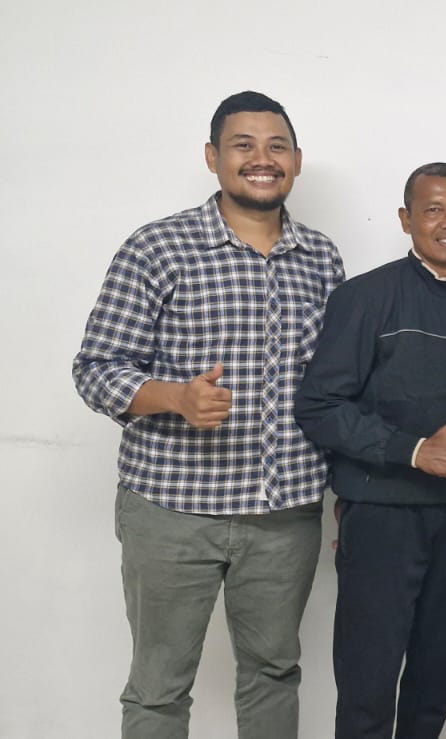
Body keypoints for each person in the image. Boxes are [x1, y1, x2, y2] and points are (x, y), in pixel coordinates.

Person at [71, 90, 343, 738]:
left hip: (285, 514)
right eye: (243, 145)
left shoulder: (323, 257)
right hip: (173, 510)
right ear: (212, 156)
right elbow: (96, 368)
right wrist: (175, 397)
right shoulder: (158, 247)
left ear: (296, 160)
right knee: (159, 687)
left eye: (277, 146)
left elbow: (334, 385)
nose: (262, 158)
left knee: (274, 672)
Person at [295, 162, 446, 739]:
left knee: (436, 679)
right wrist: (412, 451)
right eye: (433, 210)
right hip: (382, 516)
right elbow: (318, 405)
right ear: (406, 220)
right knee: (369, 682)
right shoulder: (366, 297)